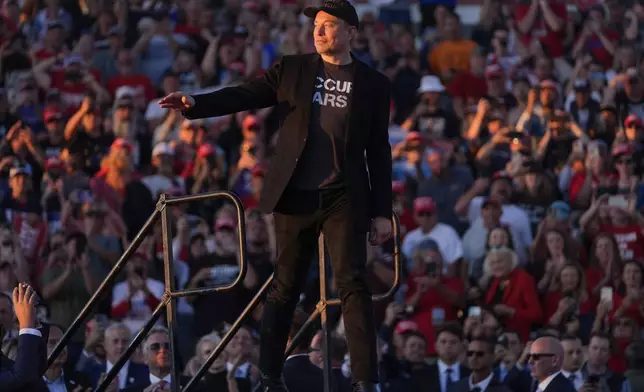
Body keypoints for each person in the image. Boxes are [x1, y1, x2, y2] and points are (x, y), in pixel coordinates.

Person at [158, 0, 393, 391]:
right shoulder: (294, 68)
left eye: (329, 25)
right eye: (316, 25)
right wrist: (198, 103)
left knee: (352, 284)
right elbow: (246, 94)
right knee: (285, 285)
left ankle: (366, 382)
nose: (319, 32)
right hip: (295, 193)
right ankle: (270, 376)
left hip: (345, 195)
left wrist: (382, 212)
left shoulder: (373, 83)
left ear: (352, 31)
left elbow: (379, 150)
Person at [0, 284, 47, 391]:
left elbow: (34, 381)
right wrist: (27, 326)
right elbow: (21, 378)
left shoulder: (8, 365)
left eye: (3, 312)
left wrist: (31, 325)